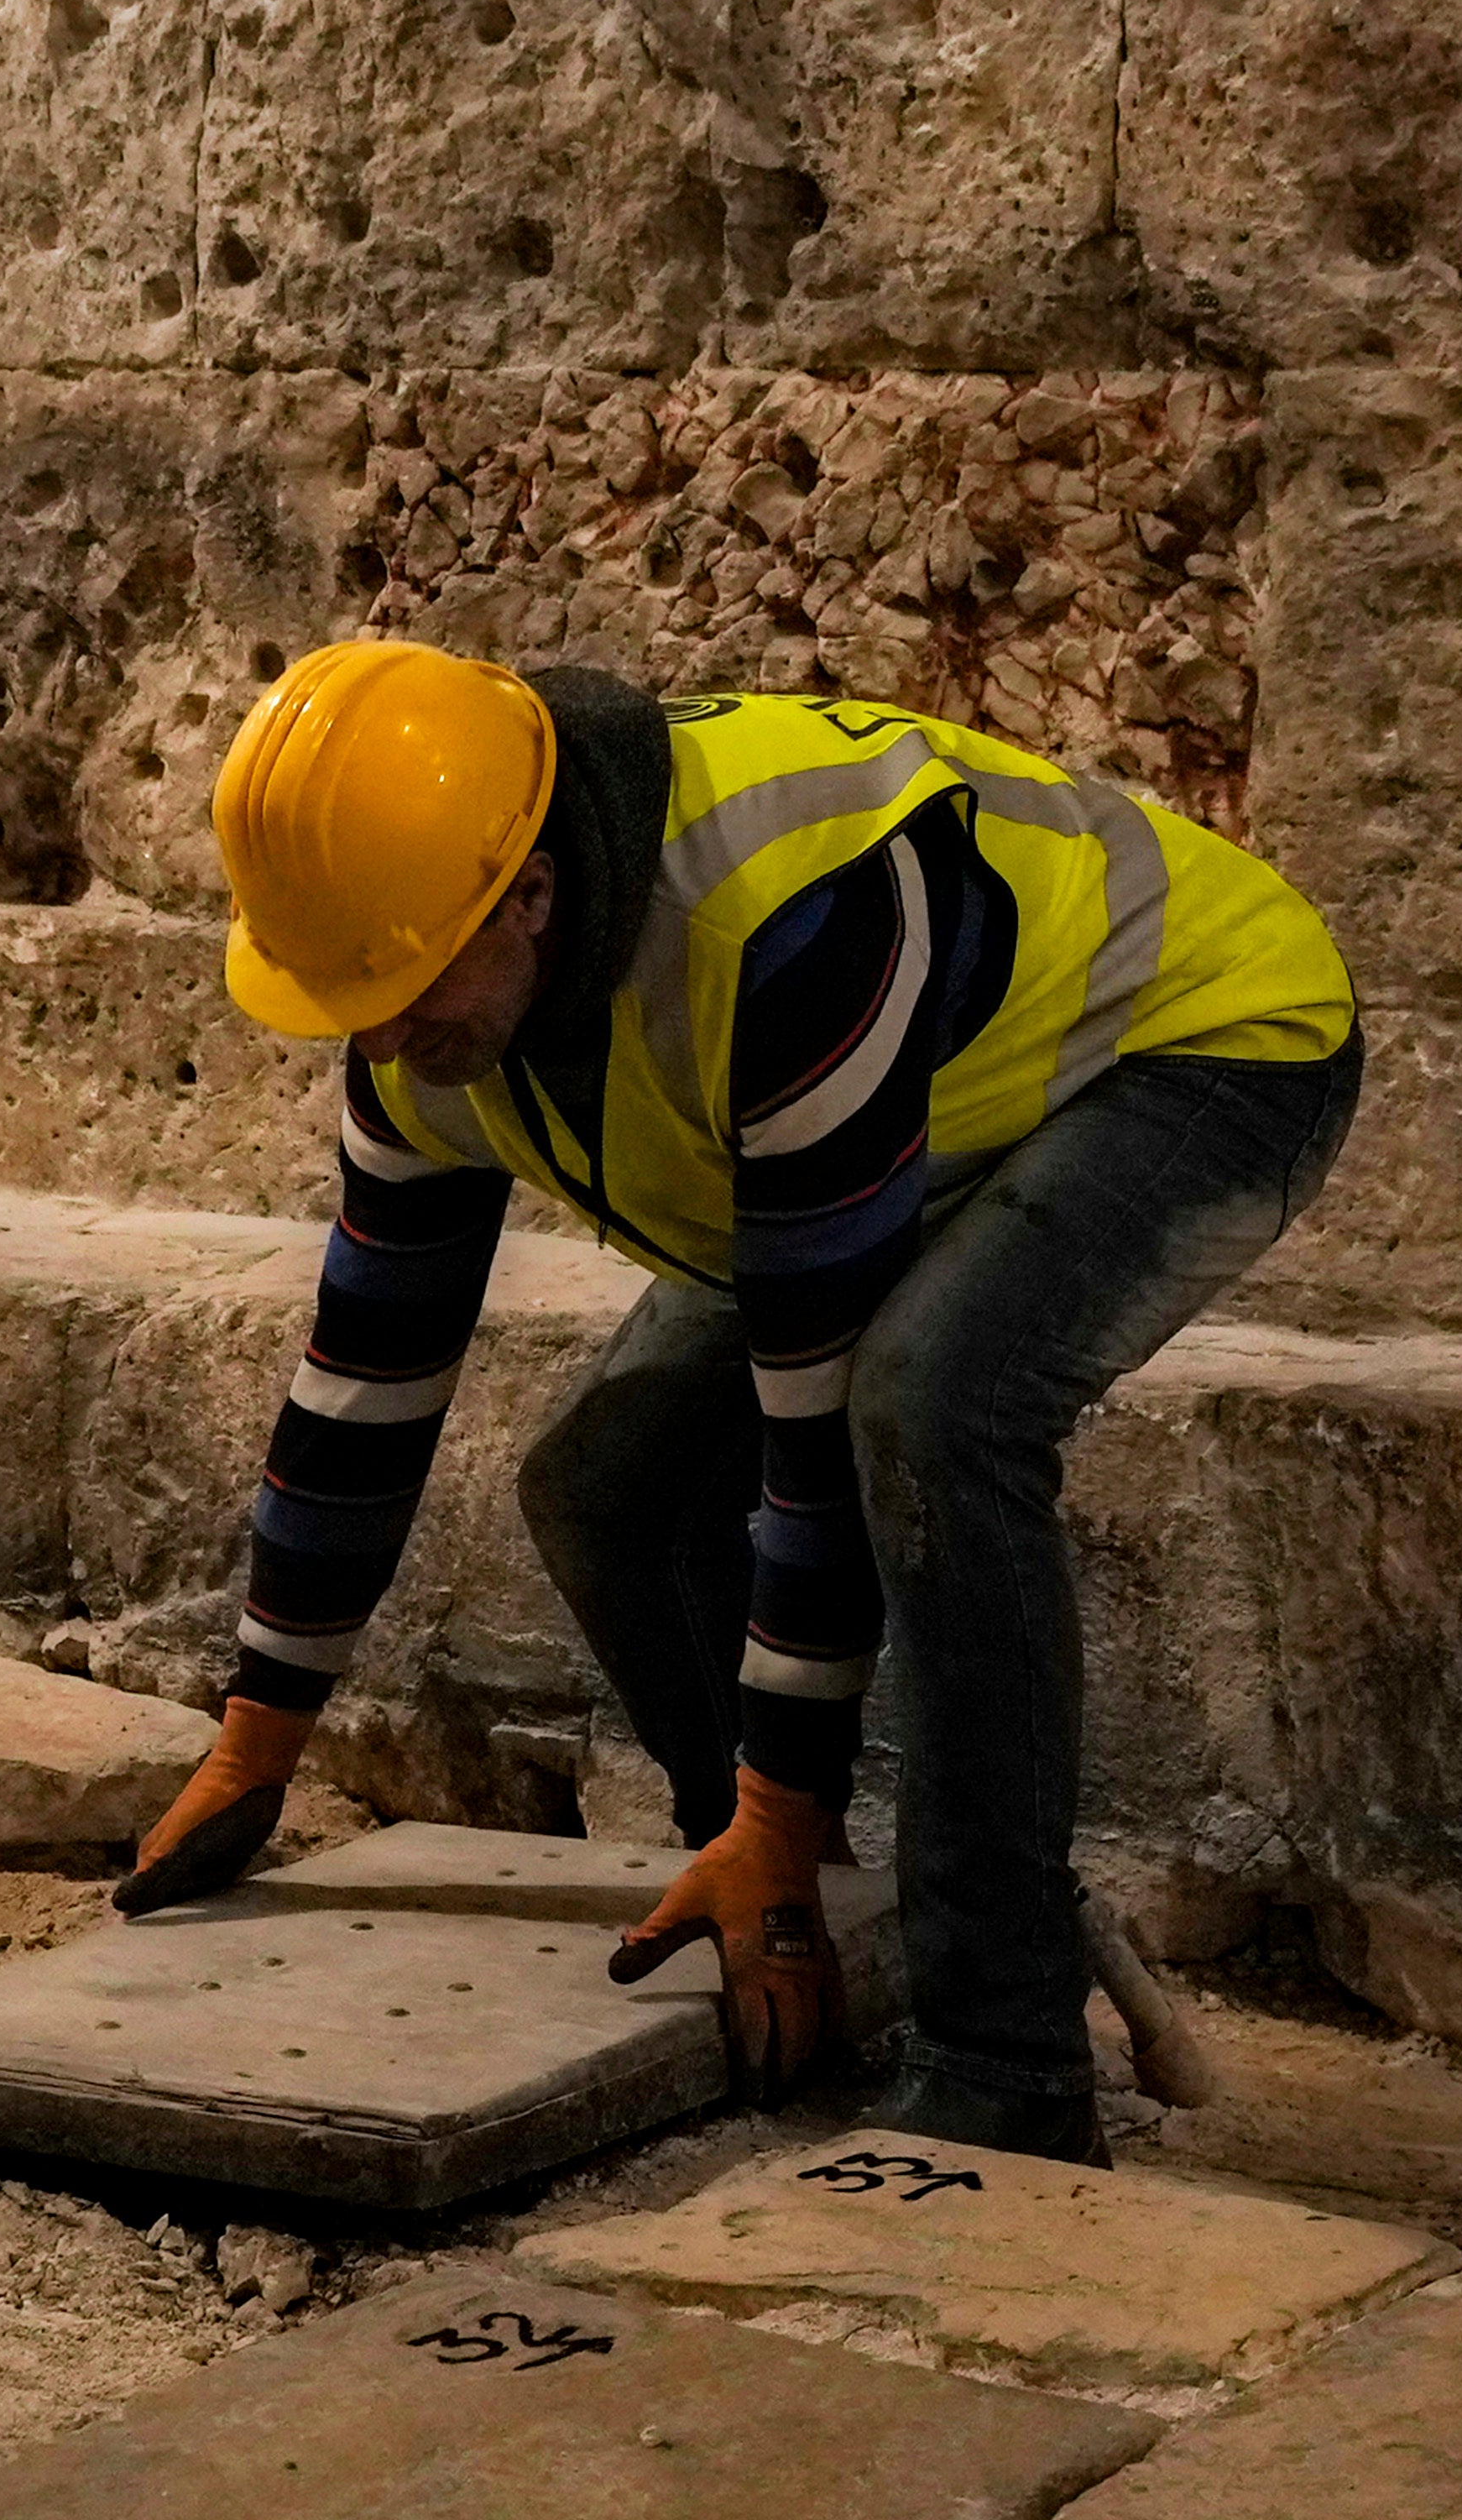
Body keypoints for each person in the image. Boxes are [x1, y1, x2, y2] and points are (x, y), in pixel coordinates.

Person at [110, 643, 1359, 2161]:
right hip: (907, 1107)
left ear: (532, 895)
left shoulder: (786, 915)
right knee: (607, 1485)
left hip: (1196, 1044)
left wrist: (778, 1798)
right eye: (345, 998)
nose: (377, 1038)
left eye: (399, 990)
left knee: (930, 1409)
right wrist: (259, 1737)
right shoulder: (420, 985)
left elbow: (812, 1418)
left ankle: (1006, 2060)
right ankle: (795, 1903)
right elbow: (369, 1368)